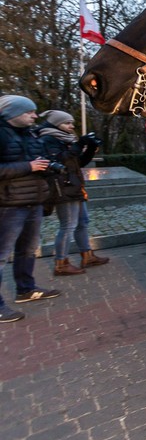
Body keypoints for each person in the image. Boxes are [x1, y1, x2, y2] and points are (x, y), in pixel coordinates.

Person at [0, 95, 60, 323]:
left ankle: (26, 289)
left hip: (32, 202)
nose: (35, 116)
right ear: (13, 114)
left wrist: (47, 167)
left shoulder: (31, 134)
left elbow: (39, 162)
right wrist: (29, 166)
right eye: (30, 112)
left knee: (27, 250)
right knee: (2, 256)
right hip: (8, 204)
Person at [36, 110, 108, 275]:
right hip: (62, 188)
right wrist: (79, 144)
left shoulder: (65, 139)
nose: (71, 126)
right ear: (56, 123)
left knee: (82, 222)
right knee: (68, 225)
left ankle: (87, 255)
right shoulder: (47, 139)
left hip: (73, 186)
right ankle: (61, 263)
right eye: (67, 123)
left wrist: (91, 147)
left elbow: (78, 162)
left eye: (71, 123)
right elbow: (61, 160)